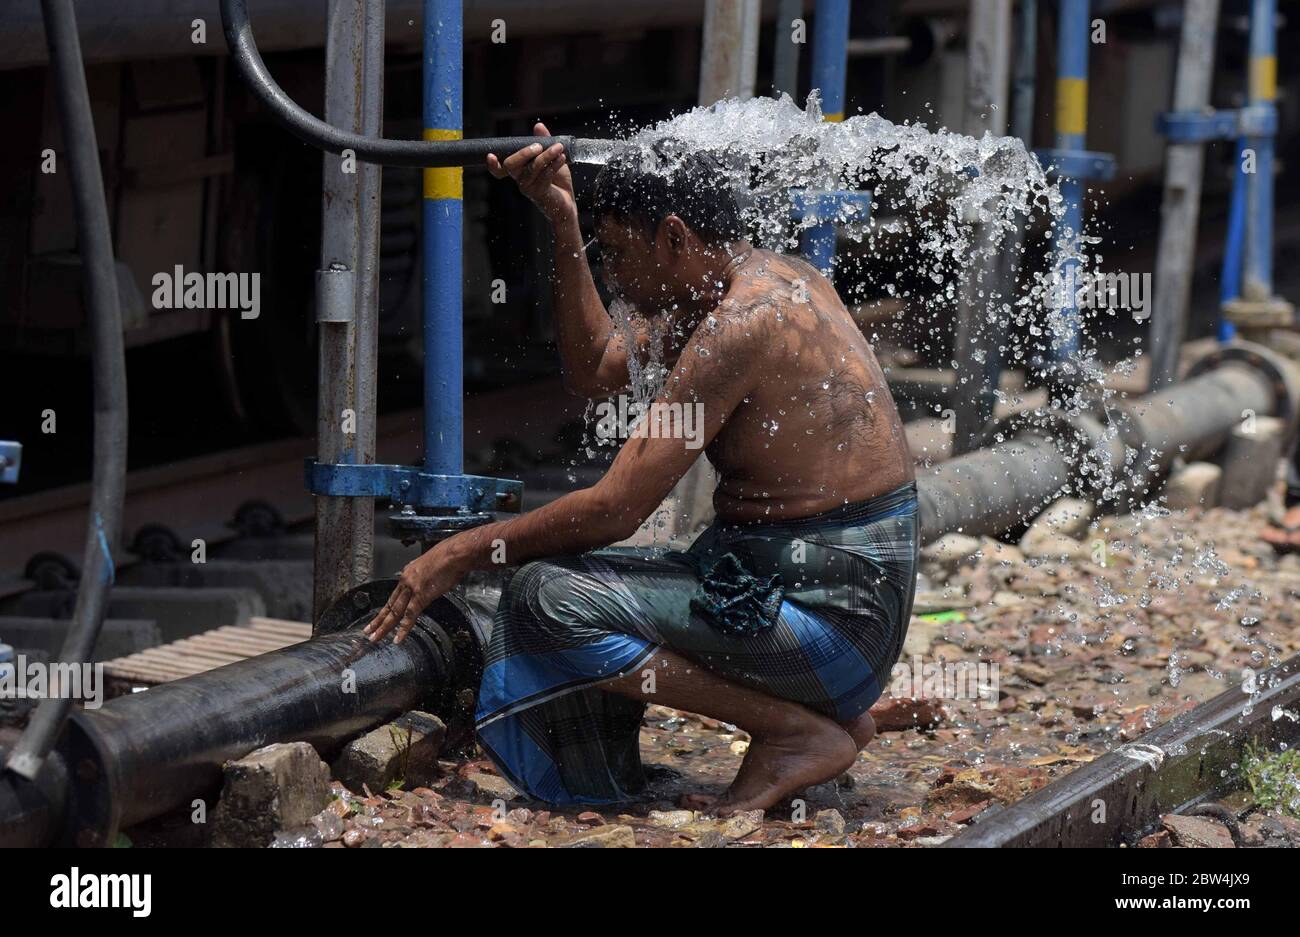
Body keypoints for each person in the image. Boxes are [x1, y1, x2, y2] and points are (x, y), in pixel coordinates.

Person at [363, 123, 919, 814]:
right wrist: (563, 225)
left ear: (676, 239)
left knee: (548, 597)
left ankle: (791, 728)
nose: (617, 276)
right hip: (832, 605)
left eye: (620, 255)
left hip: (838, 624)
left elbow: (614, 508)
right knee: (604, 573)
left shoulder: (741, 322)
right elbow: (597, 369)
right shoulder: (742, 282)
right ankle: (818, 710)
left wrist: (462, 551)